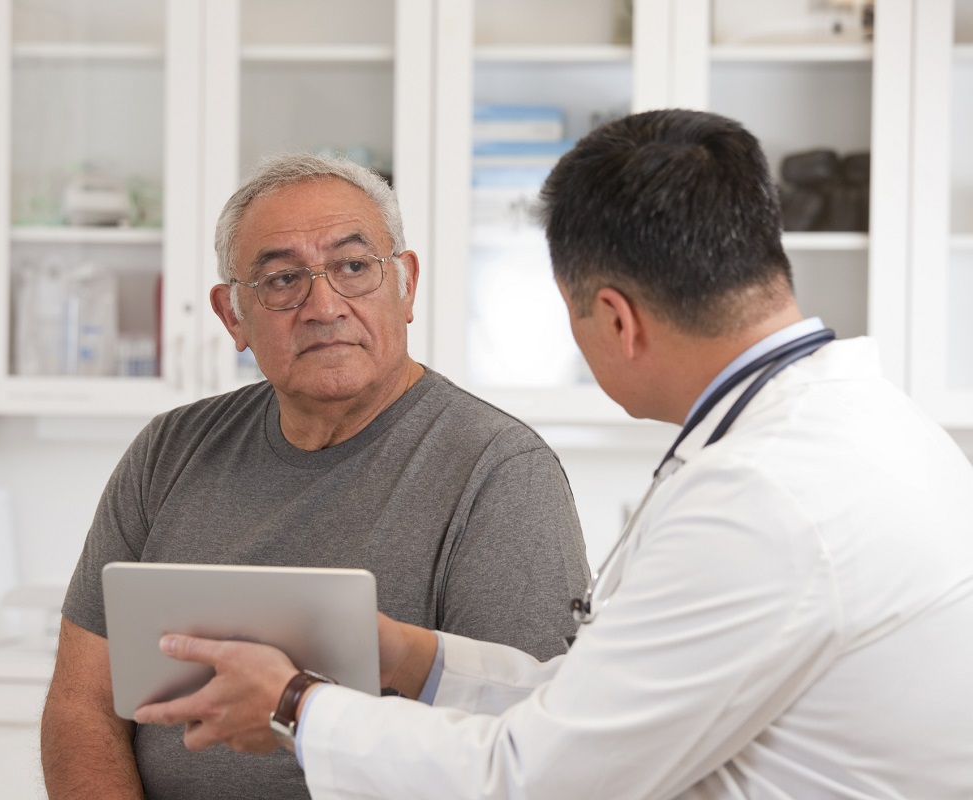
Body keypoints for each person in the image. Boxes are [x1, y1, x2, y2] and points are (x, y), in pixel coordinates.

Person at [131, 110, 973, 799]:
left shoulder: (763, 498)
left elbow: (537, 779)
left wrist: (293, 706)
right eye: (281, 280)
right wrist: (409, 655)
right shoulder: (852, 430)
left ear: (616, 319)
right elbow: (594, 711)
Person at [40, 153, 590, 799]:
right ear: (232, 316)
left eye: (354, 267)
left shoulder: (501, 475)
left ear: (406, 285)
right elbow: (81, 705)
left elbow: (524, 750)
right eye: (280, 280)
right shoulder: (169, 452)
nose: (323, 305)